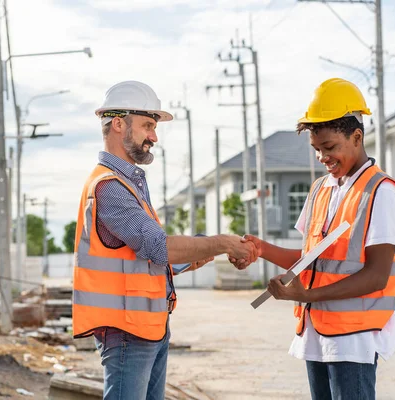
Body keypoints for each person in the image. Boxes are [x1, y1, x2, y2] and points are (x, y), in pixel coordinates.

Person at [71, 80, 257, 400]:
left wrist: (199, 253)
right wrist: (221, 243)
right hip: (127, 330)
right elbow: (160, 247)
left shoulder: (128, 183)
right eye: (147, 126)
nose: (154, 137)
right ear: (118, 123)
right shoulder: (110, 187)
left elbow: (145, 257)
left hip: (146, 326)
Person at [236, 78, 395, 400]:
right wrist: (261, 249)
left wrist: (308, 294)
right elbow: (310, 260)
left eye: (329, 148)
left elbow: (376, 276)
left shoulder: (380, 191)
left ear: (357, 137)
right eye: (316, 150)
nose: (322, 158)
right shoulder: (320, 189)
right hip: (317, 331)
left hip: (352, 337)